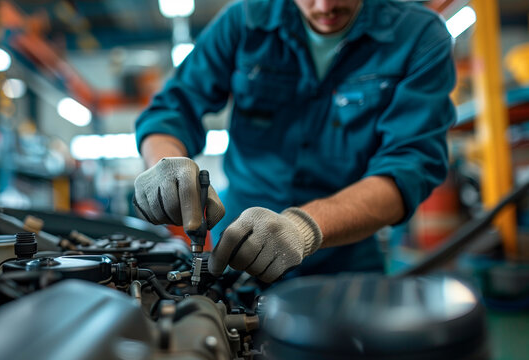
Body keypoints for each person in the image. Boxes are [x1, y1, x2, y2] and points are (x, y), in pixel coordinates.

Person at [132, 0, 456, 283]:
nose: (325, 6)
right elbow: (173, 107)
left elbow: (409, 166)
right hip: (236, 249)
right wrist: (163, 162)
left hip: (345, 253)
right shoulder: (244, 21)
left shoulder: (419, 36)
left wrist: (303, 228)